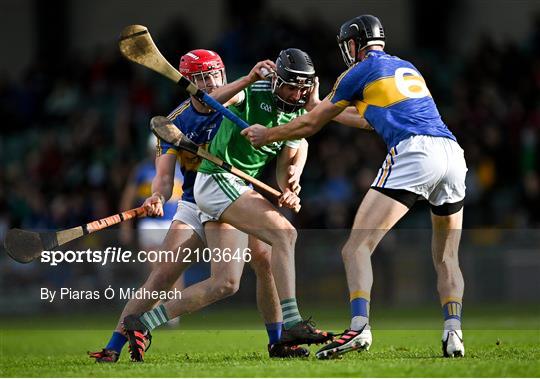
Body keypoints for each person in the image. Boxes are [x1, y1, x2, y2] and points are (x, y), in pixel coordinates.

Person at [242, 15, 467, 359]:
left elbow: (311, 124)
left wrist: (267, 134)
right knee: (446, 256)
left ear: (353, 44)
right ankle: (454, 333)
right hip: (452, 154)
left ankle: (359, 327)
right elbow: (365, 118)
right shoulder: (406, 66)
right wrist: (318, 106)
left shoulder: (356, 72)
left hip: (415, 152)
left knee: (355, 247)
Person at [88, 49, 309, 363]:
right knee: (162, 276)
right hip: (194, 202)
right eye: (200, 78)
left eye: (214, 75)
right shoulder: (175, 122)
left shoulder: (237, 97)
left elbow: (297, 136)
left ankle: (278, 342)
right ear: (187, 82)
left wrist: (290, 180)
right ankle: (113, 346)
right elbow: (164, 177)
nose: (209, 82)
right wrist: (157, 197)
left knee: (265, 260)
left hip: (234, 193)